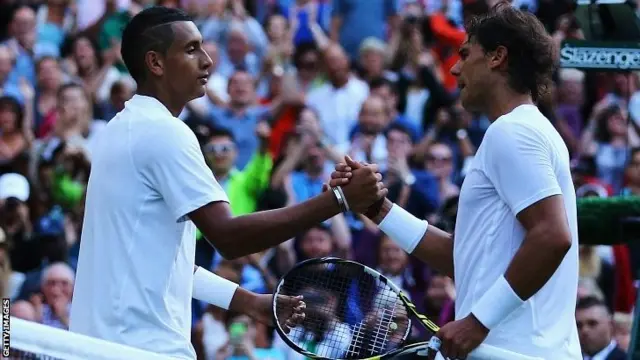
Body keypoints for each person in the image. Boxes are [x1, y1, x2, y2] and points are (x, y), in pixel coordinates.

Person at [68, 6, 387, 360]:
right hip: (142, 349)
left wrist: (251, 303)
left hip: (103, 346)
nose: (207, 61)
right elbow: (229, 236)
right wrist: (338, 200)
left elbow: (168, 263)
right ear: (156, 63)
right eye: (191, 49)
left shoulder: (118, 129)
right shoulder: (163, 132)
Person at [329, 3, 581, 359]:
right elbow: (465, 259)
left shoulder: (513, 131)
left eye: (465, 54)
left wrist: (477, 322)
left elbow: (553, 236)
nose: (454, 67)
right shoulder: (526, 129)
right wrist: (379, 209)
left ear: (497, 57)